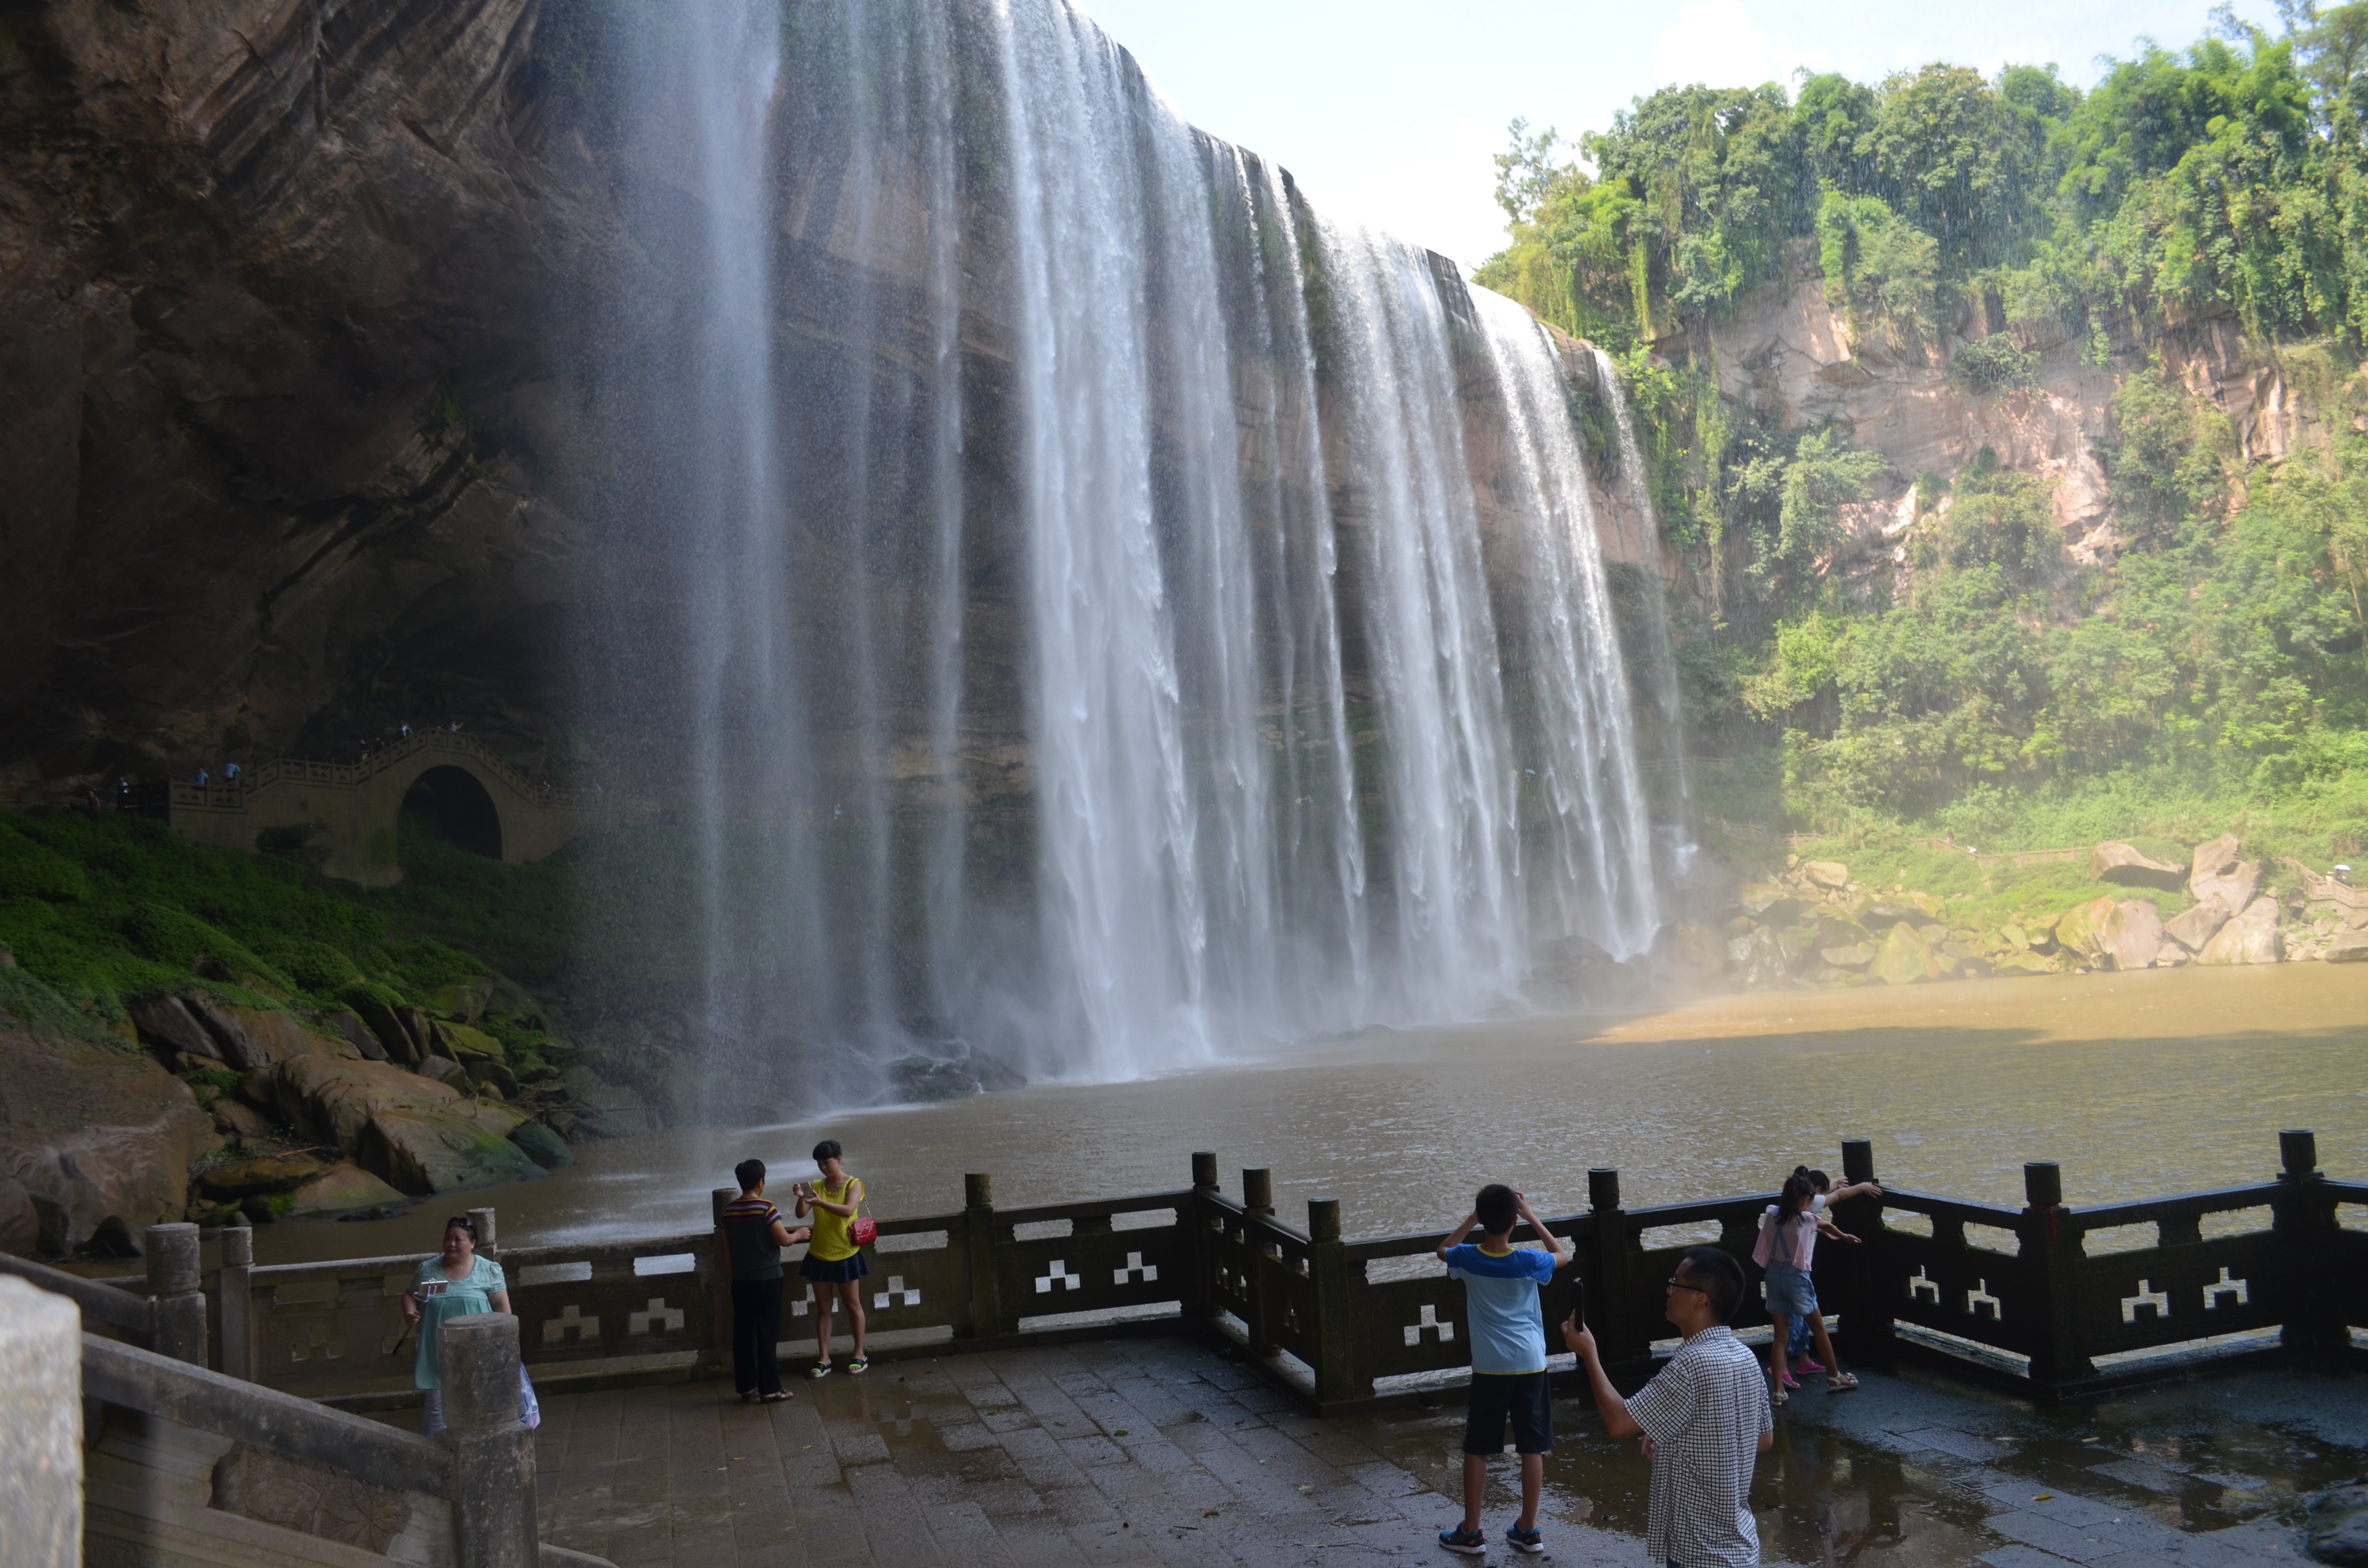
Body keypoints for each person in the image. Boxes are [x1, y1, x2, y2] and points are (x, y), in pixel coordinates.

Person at [1563, 1247, 1773, 1568]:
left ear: (1701, 1299)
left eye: (1677, 1283)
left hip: (1700, 1552)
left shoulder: (1690, 1364)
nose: (1669, 1289)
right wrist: (1673, 1436)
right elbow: (1762, 1440)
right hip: (1740, 1547)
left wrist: (1589, 1354)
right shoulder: (1744, 1356)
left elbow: (1619, 1423)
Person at [1434, 1184, 1573, 1556]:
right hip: (1530, 1363)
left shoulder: (1467, 1258)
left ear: (1482, 1219)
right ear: (1514, 1220)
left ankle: (1472, 1530)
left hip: (1491, 1368)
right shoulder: (1529, 1261)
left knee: (1477, 1447)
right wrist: (1532, 1217)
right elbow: (1562, 1254)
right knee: (1532, 1447)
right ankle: (1527, 1529)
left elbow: (1441, 1250)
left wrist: (1471, 1219)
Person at [399, 1215, 539, 1436]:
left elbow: (503, 1309)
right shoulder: (429, 1270)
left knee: (480, 1402)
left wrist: (504, 1347)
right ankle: (437, 1456)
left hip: (479, 1351)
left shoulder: (488, 1270)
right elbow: (410, 1295)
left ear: (473, 1243)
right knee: (437, 1409)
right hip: (439, 1351)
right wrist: (410, 1311)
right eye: (448, 1239)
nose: (452, 1244)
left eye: (459, 1239)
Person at [1756, 1169, 1868, 1402]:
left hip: (1774, 1275)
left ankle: (1777, 1391)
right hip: (1796, 1278)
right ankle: (1834, 1376)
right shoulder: (1806, 1219)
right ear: (1806, 1198)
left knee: (1780, 1336)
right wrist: (1845, 1236)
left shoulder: (1772, 1213)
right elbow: (1824, 1225)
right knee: (1818, 1328)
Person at [1777, 1168, 1881, 1382]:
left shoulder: (1787, 1205)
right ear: (1812, 1194)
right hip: (1797, 1273)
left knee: (1797, 1319)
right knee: (1798, 1320)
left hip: (1782, 1272)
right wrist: (1862, 1187)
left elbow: (1824, 1201)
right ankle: (1784, 1365)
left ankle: (1803, 1361)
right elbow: (1838, 1197)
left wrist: (1835, 1182)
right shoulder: (1810, 1203)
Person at [721, 1157, 810, 1404]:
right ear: (761, 1182)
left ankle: (747, 1387)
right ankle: (770, 1389)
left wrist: (732, 1279)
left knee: (743, 1334)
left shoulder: (728, 1212)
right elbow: (784, 1239)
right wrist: (800, 1234)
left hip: (741, 1281)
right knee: (767, 1334)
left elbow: (727, 1251)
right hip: (768, 1279)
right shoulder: (766, 1208)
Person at [793, 1139, 870, 1377]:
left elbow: (848, 1211)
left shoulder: (853, 1184)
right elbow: (800, 1214)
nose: (823, 1167)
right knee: (824, 1308)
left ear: (839, 1159)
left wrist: (819, 1202)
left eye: (827, 1162)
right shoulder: (816, 1185)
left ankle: (859, 1354)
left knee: (852, 1305)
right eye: (819, 1163)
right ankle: (823, 1357)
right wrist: (801, 1197)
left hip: (846, 1253)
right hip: (819, 1254)